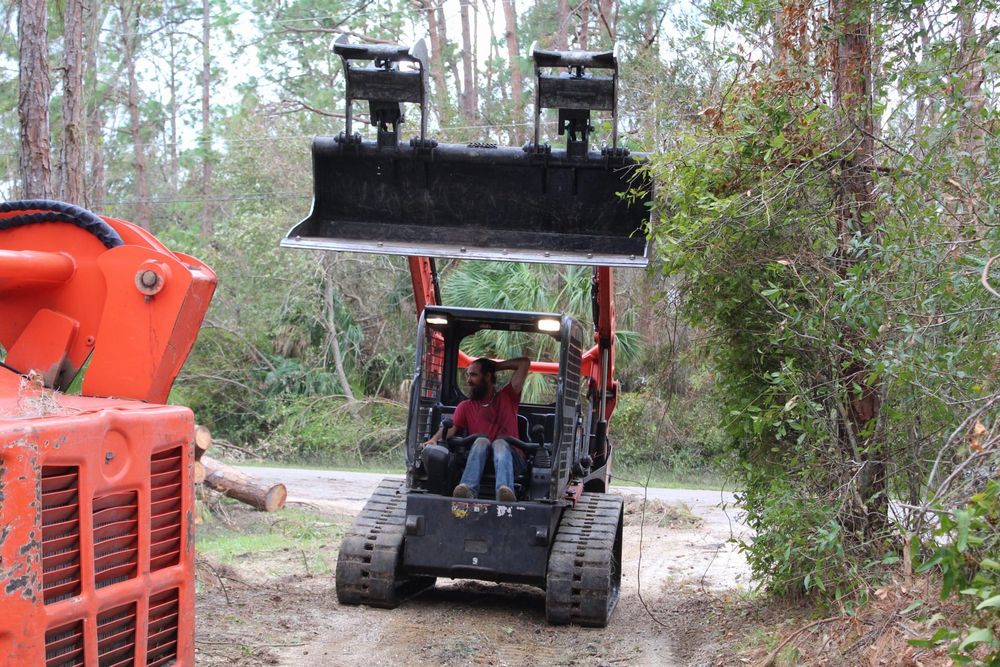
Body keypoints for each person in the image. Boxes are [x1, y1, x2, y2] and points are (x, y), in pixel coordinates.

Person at [424, 356, 530, 502]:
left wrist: (495, 366)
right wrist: (434, 439)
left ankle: (505, 492)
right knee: (481, 441)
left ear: (487, 376)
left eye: (473, 375)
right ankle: (467, 489)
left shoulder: (508, 396)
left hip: (513, 462)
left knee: (500, 443)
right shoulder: (465, 407)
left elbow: (524, 363)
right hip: (480, 462)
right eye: (468, 375)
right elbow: (451, 428)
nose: (469, 380)